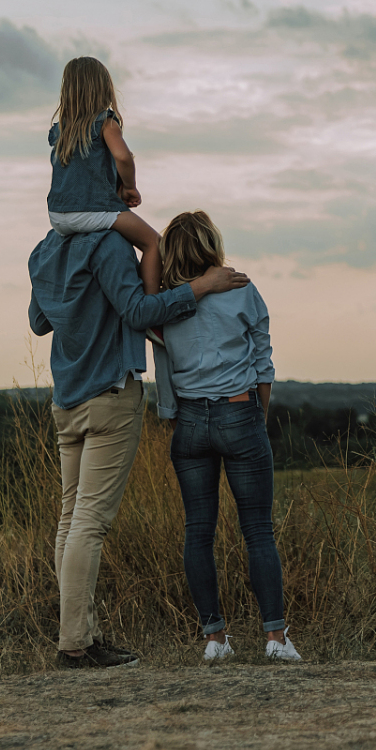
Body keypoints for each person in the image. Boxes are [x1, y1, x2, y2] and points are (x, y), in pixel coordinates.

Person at [28, 220, 250, 669]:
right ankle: (75, 644)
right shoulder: (109, 244)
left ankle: (81, 635)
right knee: (89, 522)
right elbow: (140, 313)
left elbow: (38, 321)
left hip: (66, 399)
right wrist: (202, 286)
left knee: (71, 517)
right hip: (109, 393)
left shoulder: (45, 249)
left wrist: (83, 307)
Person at [150, 210, 302, 663]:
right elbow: (263, 362)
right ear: (212, 245)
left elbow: (162, 370)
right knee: (258, 530)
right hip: (240, 413)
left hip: (190, 422)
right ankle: (275, 640)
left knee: (198, 532)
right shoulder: (242, 291)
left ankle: (215, 641)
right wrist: (258, 415)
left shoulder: (166, 302)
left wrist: (173, 415)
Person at [48, 56, 164, 295]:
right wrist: (130, 187)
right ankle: (152, 304)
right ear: (104, 88)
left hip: (58, 216)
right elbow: (122, 157)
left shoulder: (60, 129)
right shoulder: (106, 122)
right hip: (91, 209)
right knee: (154, 243)